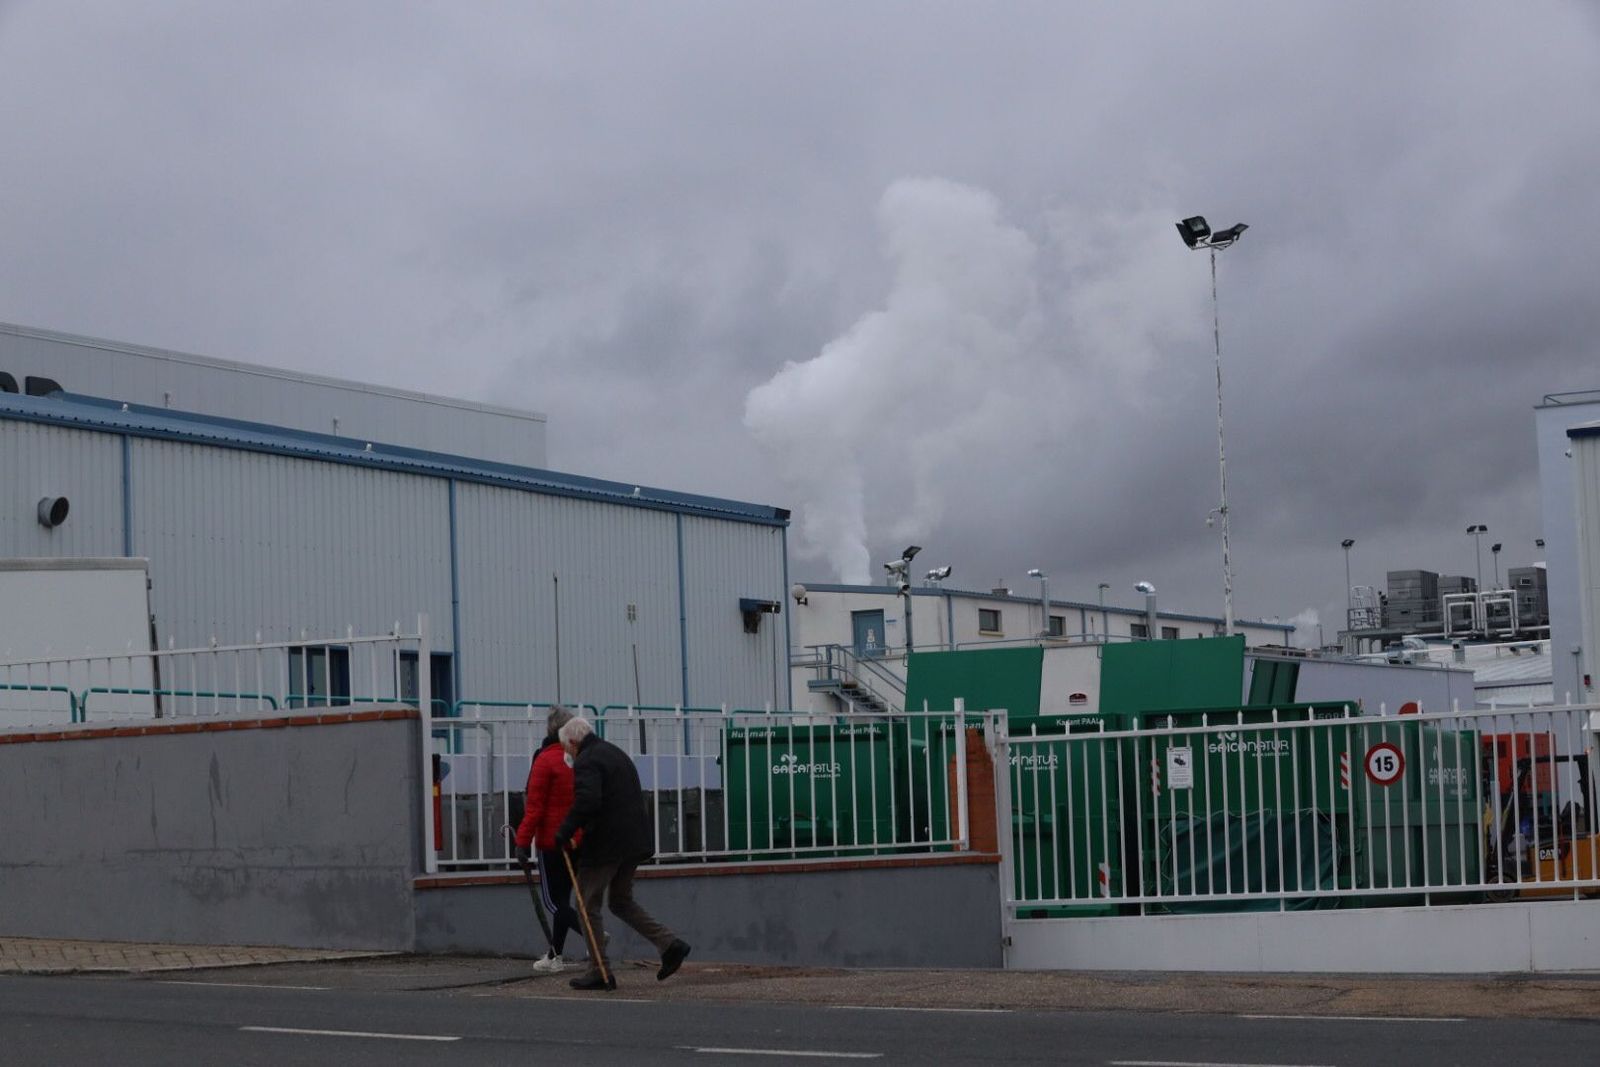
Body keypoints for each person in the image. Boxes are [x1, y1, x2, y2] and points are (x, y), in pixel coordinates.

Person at [555, 716, 690, 990]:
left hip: (607, 845)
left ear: (572, 742)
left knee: (585, 904)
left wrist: (565, 831)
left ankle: (599, 971)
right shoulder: (614, 752)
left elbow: (589, 800)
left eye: (566, 749)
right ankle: (669, 944)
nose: (567, 755)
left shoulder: (587, 759)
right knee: (620, 901)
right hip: (633, 841)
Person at [513, 706, 581, 972]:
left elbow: (535, 806)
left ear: (550, 730)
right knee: (564, 898)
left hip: (551, 841)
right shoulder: (578, 757)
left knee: (553, 902)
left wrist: (521, 842)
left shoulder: (544, 758)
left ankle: (592, 934)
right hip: (577, 839)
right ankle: (555, 956)